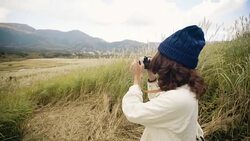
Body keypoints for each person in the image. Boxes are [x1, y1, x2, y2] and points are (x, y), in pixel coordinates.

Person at [122, 25, 206, 141]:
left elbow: (132, 111)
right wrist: (151, 77)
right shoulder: (186, 88)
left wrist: (136, 81)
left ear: (169, 63)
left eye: (161, 56)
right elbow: (160, 101)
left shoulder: (178, 99)